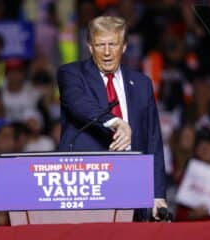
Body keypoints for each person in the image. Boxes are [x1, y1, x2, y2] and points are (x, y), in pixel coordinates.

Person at [57, 16, 167, 220]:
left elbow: (153, 141)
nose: (107, 52)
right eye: (100, 45)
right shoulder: (72, 74)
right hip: (87, 187)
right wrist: (115, 122)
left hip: (133, 186)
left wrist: (157, 194)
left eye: (113, 44)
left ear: (124, 46)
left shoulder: (142, 83)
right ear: (90, 46)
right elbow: (78, 103)